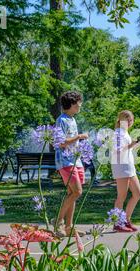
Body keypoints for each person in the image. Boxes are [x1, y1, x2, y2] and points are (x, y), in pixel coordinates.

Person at [54, 91, 88, 237]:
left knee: (72, 193)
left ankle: (69, 227)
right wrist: (79, 137)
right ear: (72, 104)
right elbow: (61, 142)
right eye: (78, 103)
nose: (80, 105)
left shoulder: (72, 120)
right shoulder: (61, 120)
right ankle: (58, 222)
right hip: (65, 160)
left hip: (76, 160)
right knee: (77, 192)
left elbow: (72, 141)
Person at [110, 110, 140, 232]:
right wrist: (131, 145)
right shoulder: (118, 133)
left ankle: (126, 220)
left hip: (129, 167)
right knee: (121, 196)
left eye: (131, 120)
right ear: (120, 121)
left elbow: (126, 149)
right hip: (121, 167)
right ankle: (117, 223)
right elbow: (118, 150)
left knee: (138, 193)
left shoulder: (125, 133)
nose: (129, 122)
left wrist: (133, 145)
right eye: (126, 120)